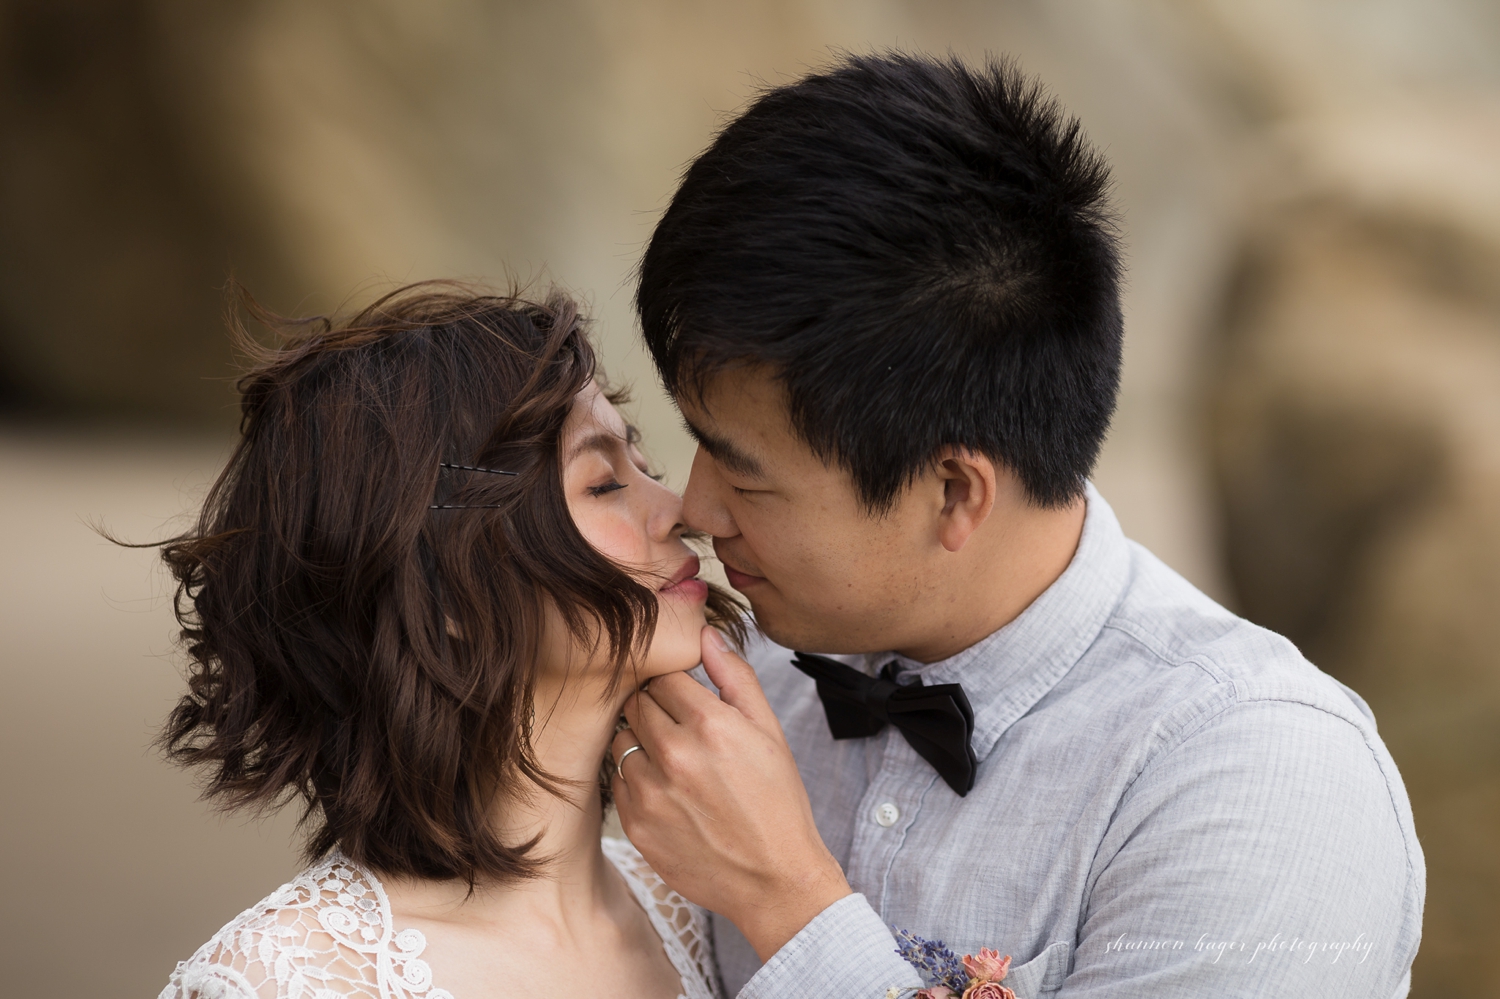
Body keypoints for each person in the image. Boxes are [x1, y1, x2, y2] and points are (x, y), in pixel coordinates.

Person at [608, 53, 1424, 998]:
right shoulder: (730, 673)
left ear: (955, 492)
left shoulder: (1259, 781)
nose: (696, 512)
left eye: (746, 481)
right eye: (695, 444)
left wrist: (782, 898)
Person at [156, 285, 742, 999]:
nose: (678, 509)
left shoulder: (707, 908)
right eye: (604, 484)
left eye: (644, 467)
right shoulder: (283, 980)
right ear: (448, 585)